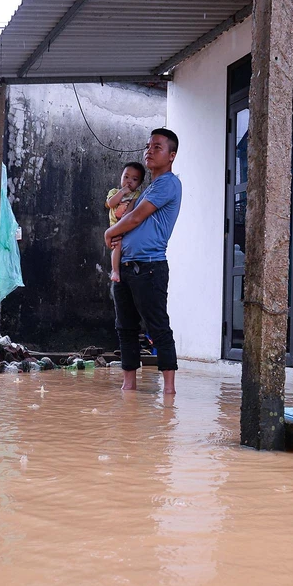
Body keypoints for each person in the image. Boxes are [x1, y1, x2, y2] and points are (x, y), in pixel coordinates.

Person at [104, 129, 181, 394]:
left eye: (157, 147)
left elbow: (135, 218)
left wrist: (109, 233)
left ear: (171, 155)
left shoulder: (168, 184)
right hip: (126, 266)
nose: (149, 151)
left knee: (157, 326)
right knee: (125, 328)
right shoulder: (147, 189)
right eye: (148, 146)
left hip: (149, 266)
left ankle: (169, 391)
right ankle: (128, 386)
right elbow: (127, 217)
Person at [105, 161, 146, 283]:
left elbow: (131, 209)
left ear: (139, 183)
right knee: (117, 245)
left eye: (134, 179)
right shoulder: (114, 192)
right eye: (126, 177)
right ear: (121, 176)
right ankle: (115, 270)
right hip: (115, 226)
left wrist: (124, 221)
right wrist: (122, 192)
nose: (129, 181)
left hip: (127, 224)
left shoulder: (136, 194)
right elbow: (111, 203)